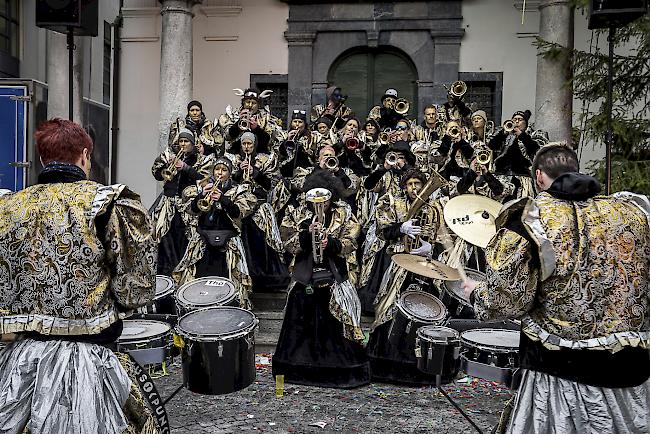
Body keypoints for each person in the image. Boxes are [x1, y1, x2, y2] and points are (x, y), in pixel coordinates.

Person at [464, 144, 650, 433]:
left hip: (560, 377)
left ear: (538, 176)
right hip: (630, 377)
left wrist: (476, 291)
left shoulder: (530, 220)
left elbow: (506, 301)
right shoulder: (636, 212)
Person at [0, 118, 162, 433]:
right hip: (89, 361)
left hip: (20, 363)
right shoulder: (105, 204)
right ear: (85, 156)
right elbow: (136, 290)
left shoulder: (7, 208)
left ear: (43, 158)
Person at [273, 171, 370, 388]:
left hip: (333, 275)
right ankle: (297, 369)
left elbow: (352, 239)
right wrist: (307, 236)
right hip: (305, 276)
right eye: (316, 199)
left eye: (325, 199)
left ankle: (338, 368)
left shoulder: (344, 213)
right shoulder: (296, 213)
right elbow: (286, 241)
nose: (321, 204)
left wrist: (332, 244)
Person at [365, 169, 449, 384]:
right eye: (410, 184)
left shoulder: (435, 208)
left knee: (425, 310)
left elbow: (443, 237)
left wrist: (431, 248)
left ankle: (420, 364)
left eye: (418, 183)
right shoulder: (392, 202)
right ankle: (386, 361)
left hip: (424, 266)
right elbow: (381, 231)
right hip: (398, 263)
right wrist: (400, 228)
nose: (415, 188)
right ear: (403, 187)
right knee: (390, 308)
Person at [174, 157, 257, 307]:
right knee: (200, 281)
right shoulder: (202, 187)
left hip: (228, 244)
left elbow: (240, 212)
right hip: (203, 242)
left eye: (224, 170)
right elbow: (190, 210)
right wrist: (201, 196)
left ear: (230, 173)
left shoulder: (239, 190)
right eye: (217, 169)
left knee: (227, 284)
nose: (220, 173)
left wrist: (223, 199)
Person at [150, 128, 212, 277]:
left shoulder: (200, 159)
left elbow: (203, 179)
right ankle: (164, 271)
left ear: (192, 144)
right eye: (181, 141)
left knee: (183, 236)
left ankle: (181, 270)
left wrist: (185, 168)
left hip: (187, 204)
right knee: (162, 234)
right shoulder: (170, 156)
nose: (183, 144)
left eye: (186, 142)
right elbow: (158, 175)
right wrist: (165, 164)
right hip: (168, 201)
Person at [488, 109, 549, 199]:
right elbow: (491, 146)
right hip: (502, 178)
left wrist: (522, 135)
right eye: (514, 120)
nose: (516, 122)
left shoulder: (533, 135)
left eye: (520, 120)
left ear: (526, 123)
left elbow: (537, 149)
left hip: (523, 179)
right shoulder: (504, 134)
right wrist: (503, 134)